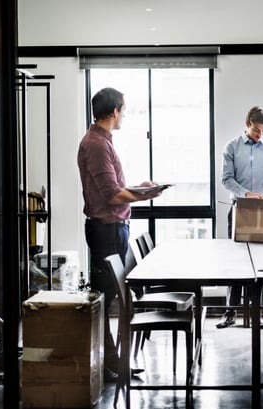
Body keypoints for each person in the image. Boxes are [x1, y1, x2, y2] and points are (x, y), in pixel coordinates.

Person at [77, 87, 166, 381]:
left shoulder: (101, 141)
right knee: (106, 299)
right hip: (108, 230)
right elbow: (112, 196)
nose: (124, 115)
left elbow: (113, 189)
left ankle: (113, 362)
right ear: (114, 110)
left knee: (112, 297)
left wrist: (139, 188)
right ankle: (110, 363)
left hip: (112, 228)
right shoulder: (97, 145)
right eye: (124, 109)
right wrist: (145, 195)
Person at [218, 106, 263, 329]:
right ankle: (230, 313)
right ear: (247, 124)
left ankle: (256, 315)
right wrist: (246, 193)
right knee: (235, 263)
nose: (260, 135)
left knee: (259, 264)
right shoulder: (232, 147)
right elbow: (226, 179)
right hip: (239, 209)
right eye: (257, 130)